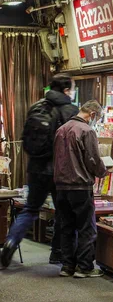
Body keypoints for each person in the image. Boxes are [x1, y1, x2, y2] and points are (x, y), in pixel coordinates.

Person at [1, 75, 79, 269]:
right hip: (60, 170)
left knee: (30, 209)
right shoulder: (70, 110)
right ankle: (61, 254)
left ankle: (10, 242)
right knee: (64, 212)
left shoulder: (36, 107)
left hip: (36, 167)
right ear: (66, 90)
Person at [53, 99, 107, 278]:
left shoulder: (61, 130)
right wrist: (104, 171)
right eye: (97, 118)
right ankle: (84, 267)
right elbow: (93, 159)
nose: (95, 121)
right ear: (92, 114)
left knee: (66, 226)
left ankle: (67, 266)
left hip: (61, 186)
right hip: (80, 186)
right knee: (86, 227)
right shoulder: (87, 130)